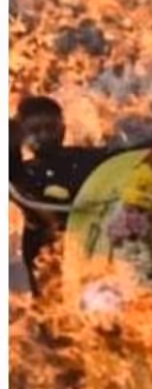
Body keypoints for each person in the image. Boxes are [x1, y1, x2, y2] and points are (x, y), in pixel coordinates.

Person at [9, 96, 113, 296]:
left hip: (91, 241)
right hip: (45, 248)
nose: (44, 135)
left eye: (50, 128)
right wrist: (12, 133)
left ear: (63, 128)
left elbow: (122, 157)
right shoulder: (23, 174)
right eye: (35, 130)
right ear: (23, 135)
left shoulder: (85, 158)